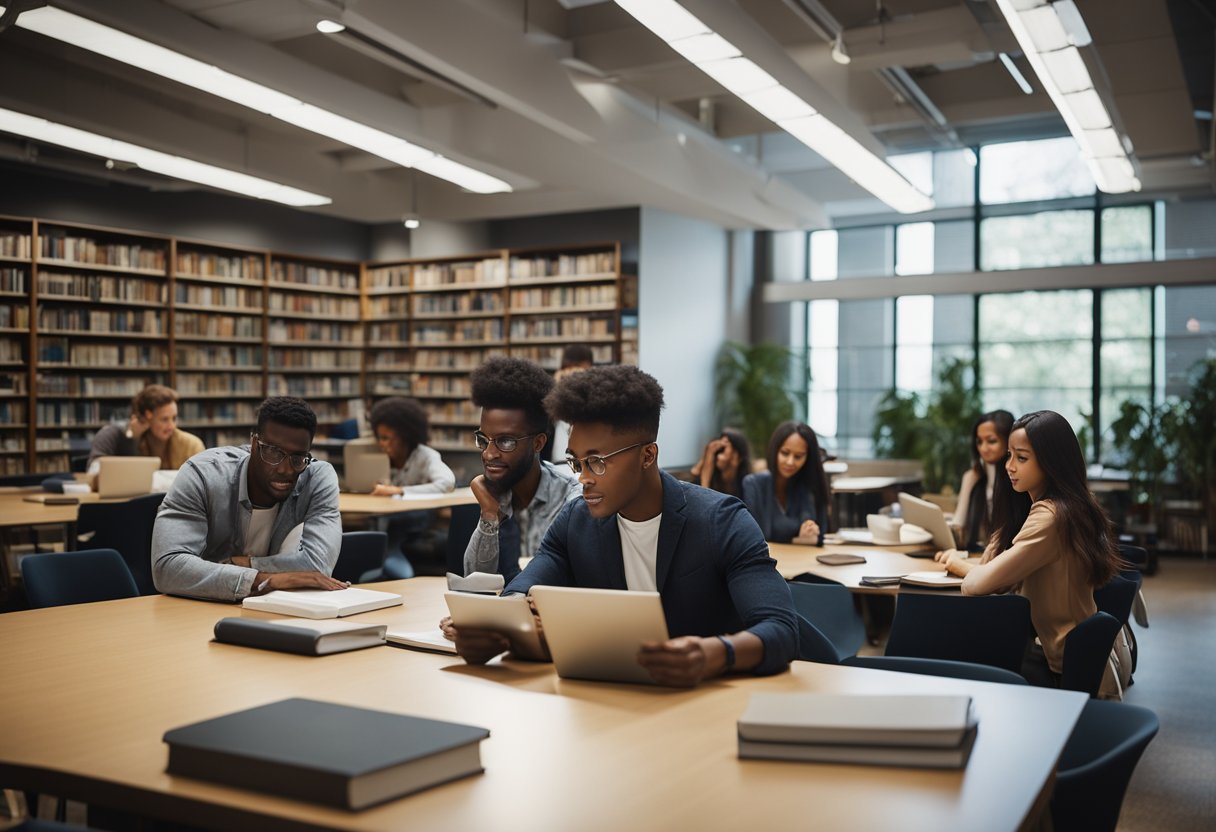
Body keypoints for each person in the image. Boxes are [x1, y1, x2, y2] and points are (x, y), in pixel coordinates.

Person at [443, 365, 799, 687]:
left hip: (710, 707)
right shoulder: (575, 522)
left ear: (647, 456)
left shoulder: (722, 521)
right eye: (575, 461)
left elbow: (781, 629)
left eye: (597, 461)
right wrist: (494, 630)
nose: (582, 478)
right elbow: (521, 593)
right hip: (617, 704)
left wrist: (715, 653)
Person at [935, 410, 1121, 686]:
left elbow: (978, 584)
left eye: (1021, 458)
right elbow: (994, 564)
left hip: (1053, 663)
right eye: (1009, 455)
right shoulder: (1065, 506)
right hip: (1061, 652)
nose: (1009, 466)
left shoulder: (1051, 517)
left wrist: (959, 565)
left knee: (946, 654)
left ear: (1051, 463)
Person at [151, 396, 346, 602]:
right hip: (198, 607)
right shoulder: (202, 474)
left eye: (297, 458)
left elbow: (318, 566)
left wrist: (244, 563)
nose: (285, 469)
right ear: (254, 443)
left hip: (276, 609)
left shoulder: (316, 478)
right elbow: (167, 568)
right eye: (273, 452)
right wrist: (264, 579)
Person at [462, 357, 581, 583]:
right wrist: (489, 514)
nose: (488, 454)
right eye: (483, 439)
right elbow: (474, 582)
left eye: (506, 441)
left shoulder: (571, 501)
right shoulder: (495, 493)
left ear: (538, 443)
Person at [742, 421, 830, 544]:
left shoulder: (811, 486)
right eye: (785, 453)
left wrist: (810, 535)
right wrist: (798, 541)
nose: (790, 462)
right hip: (766, 560)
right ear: (775, 450)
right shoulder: (754, 484)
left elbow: (820, 538)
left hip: (802, 560)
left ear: (808, 458)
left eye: (798, 456)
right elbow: (754, 539)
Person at [87, 384, 204, 470]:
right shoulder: (119, 435)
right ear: (148, 416)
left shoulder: (191, 445)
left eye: (174, 418)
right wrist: (132, 437)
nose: (172, 426)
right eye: (164, 419)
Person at [367, 396, 455, 496]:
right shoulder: (379, 458)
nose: (381, 444)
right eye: (379, 438)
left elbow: (447, 483)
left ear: (405, 436)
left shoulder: (425, 456)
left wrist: (400, 491)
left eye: (386, 438)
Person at [952, 410, 1014, 551]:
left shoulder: (1017, 479)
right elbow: (958, 526)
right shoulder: (974, 477)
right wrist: (968, 482)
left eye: (991, 441)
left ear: (1009, 440)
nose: (983, 448)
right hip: (980, 556)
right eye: (979, 441)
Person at [548, 344, 595, 463]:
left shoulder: (597, 388)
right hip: (558, 461)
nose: (574, 374)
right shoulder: (555, 385)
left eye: (579, 368)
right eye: (570, 368)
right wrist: (556, 386)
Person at [688, 428, 751, 498]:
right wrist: (708, 453)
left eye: (723, 449)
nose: (718, 455)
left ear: (738, 456)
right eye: (718, 451)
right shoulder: (712, 478)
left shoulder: (747, 484)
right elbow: (703, 499)